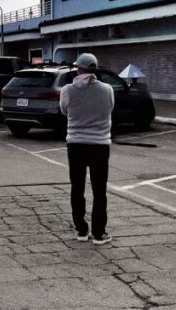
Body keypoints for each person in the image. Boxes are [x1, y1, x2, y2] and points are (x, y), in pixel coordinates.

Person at [60, 53, 115, 245]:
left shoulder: (67, 90)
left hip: (75, 143)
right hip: (100, 144)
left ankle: (82, 230)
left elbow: (64, 110)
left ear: (79, 69)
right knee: (100, 189)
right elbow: (109, 109)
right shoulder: (107, 89)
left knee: (77, 187)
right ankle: (99, 232)